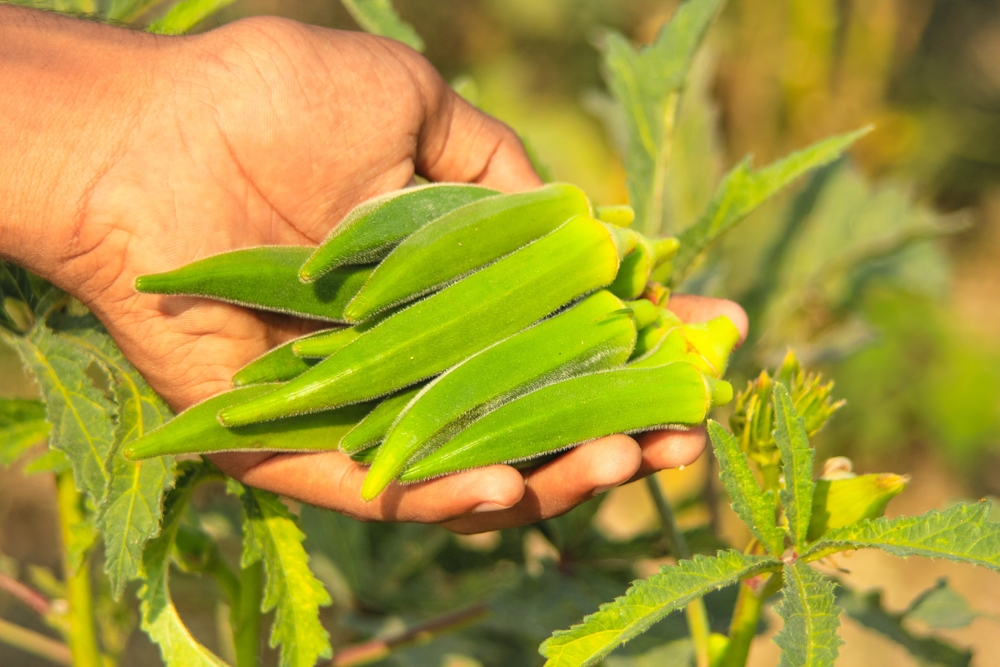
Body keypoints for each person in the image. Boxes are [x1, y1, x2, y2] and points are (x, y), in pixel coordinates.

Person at [0, 5, 747, 534]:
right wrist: (128, 143)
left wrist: (115, 156)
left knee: (390, 380)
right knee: (375, 367)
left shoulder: (574, 279)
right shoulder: (569, 254)